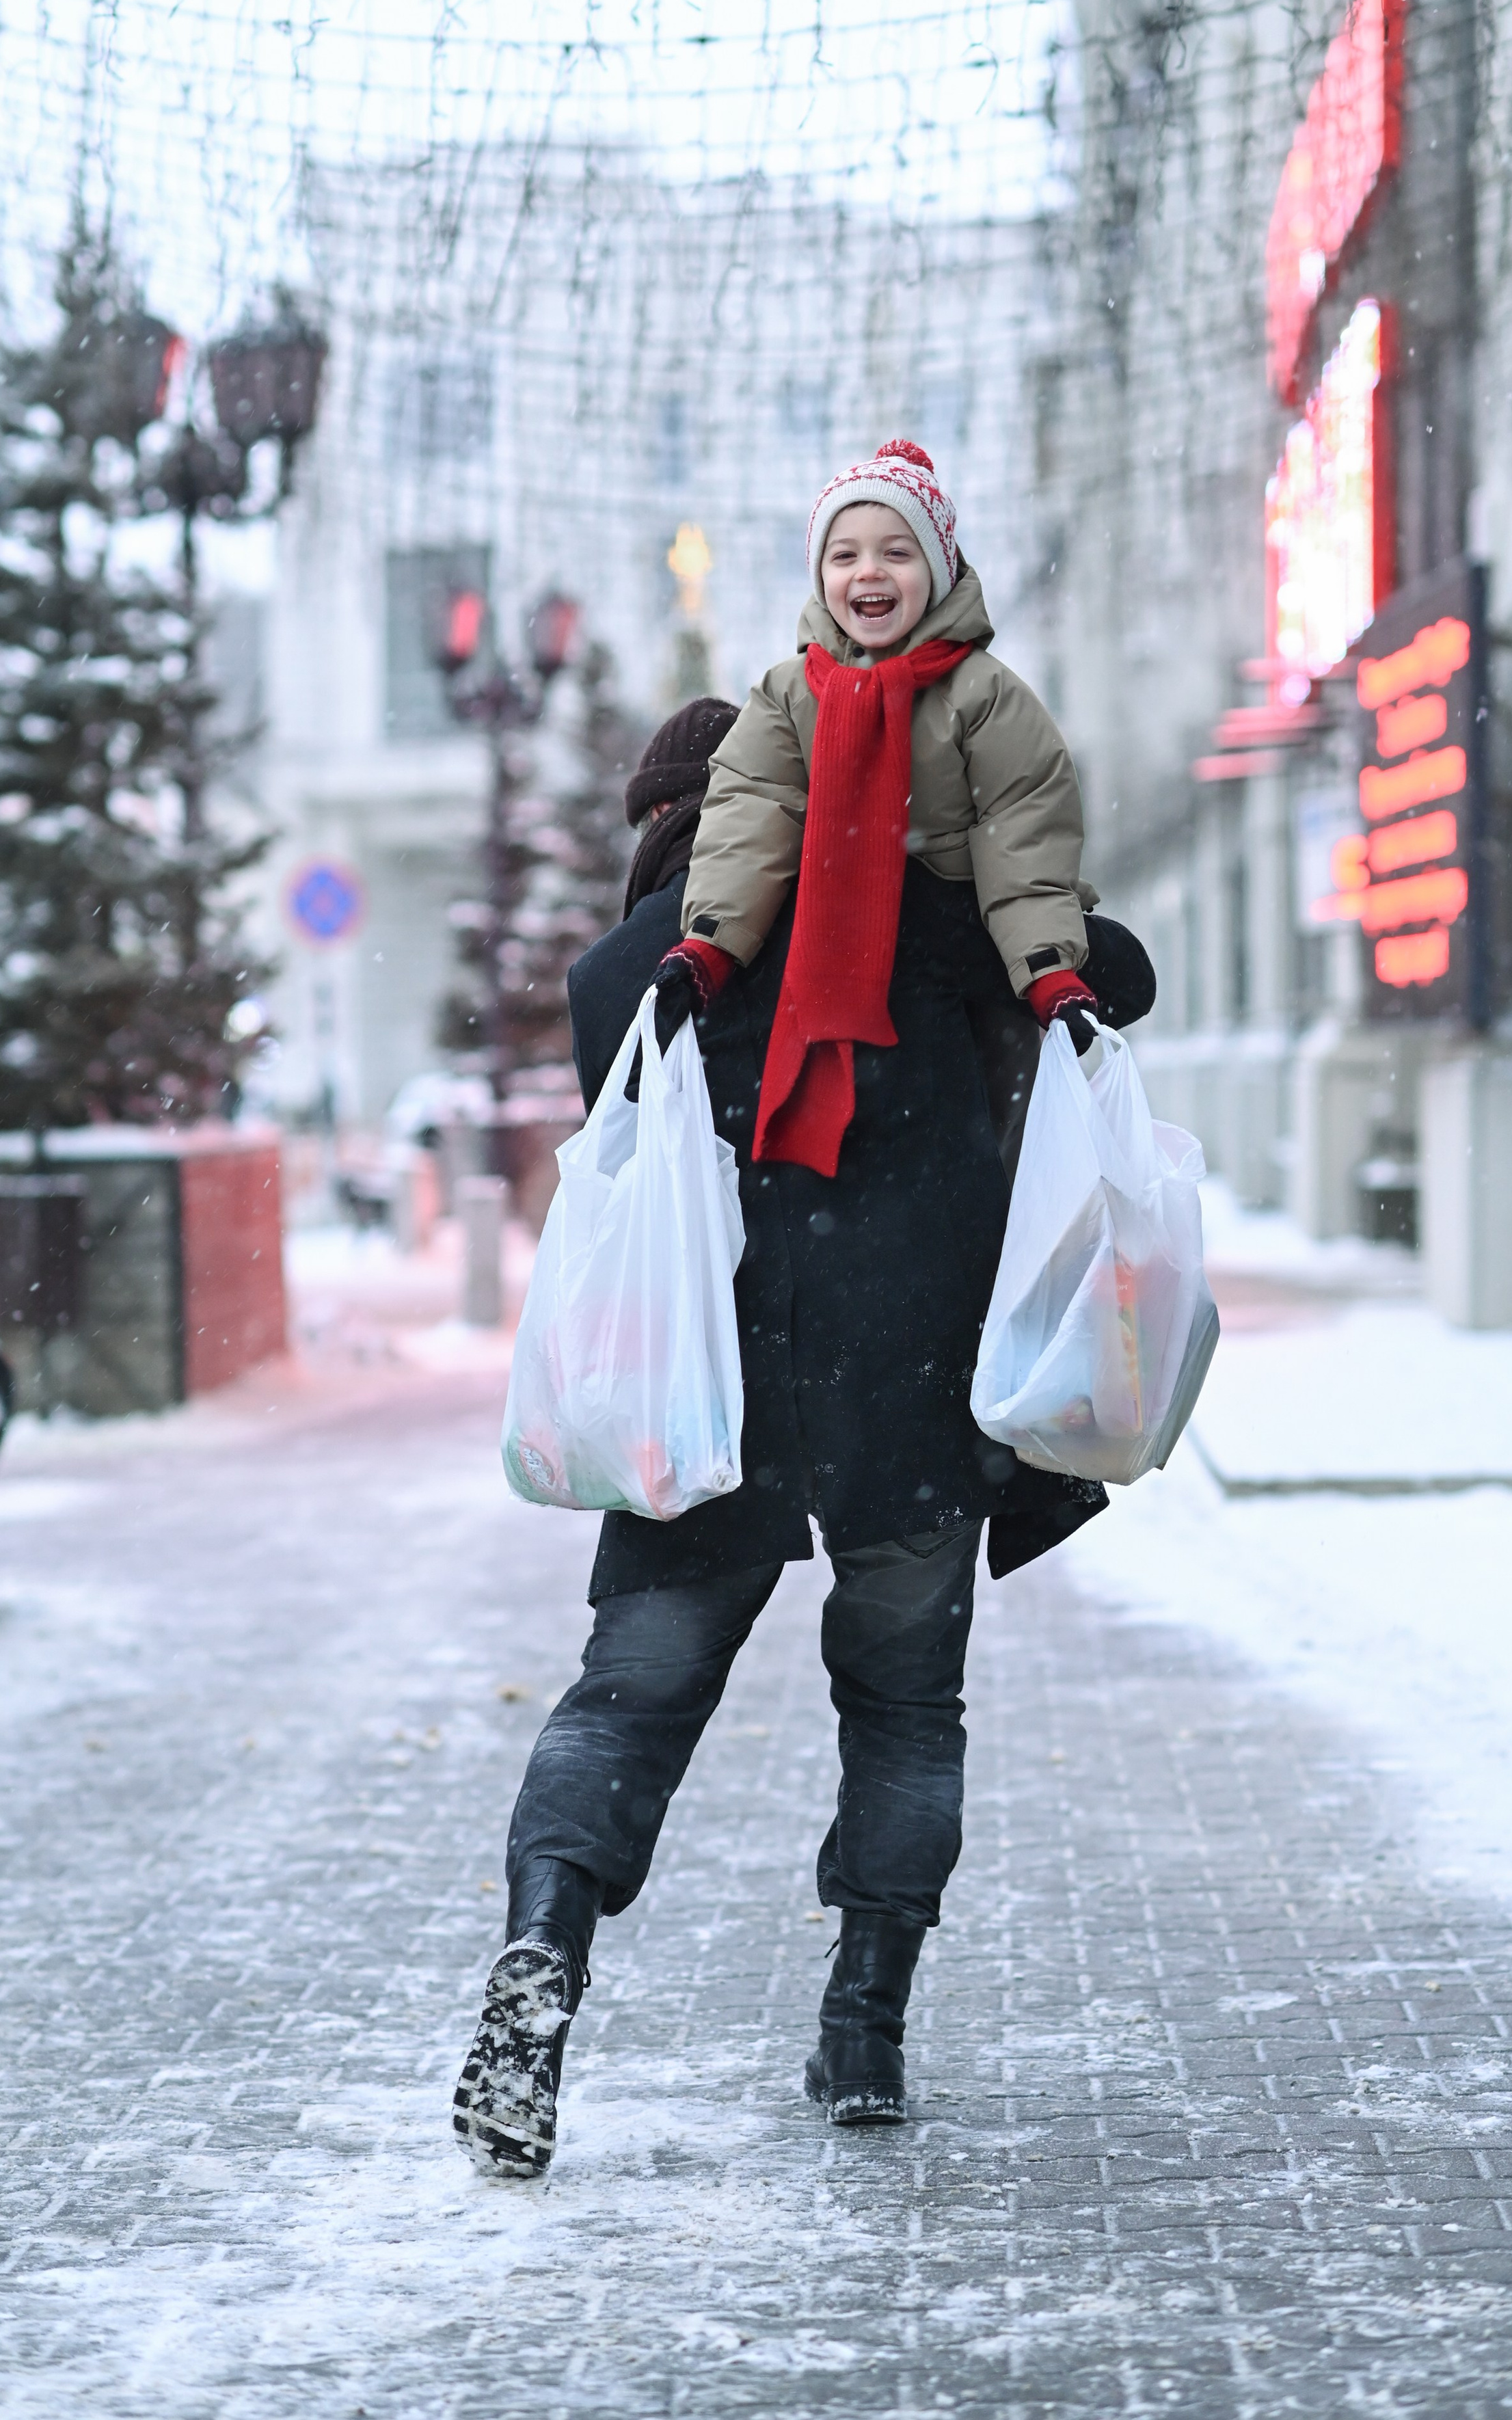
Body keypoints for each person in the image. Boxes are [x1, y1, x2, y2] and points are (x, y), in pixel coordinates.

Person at [453, 442, 1156, 2178]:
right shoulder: (965, 916)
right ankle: (864, 2024)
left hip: (717, 1375)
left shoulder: (650, 972)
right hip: (917, 1368)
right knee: (904, 1704)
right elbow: (1103, 969)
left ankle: (546, 1939)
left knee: (630, 1691)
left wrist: (686, 946)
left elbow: (603, 1033)